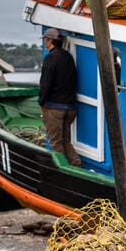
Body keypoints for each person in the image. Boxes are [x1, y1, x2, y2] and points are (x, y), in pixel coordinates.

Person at [38, 27, 82, 167]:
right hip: (70, 108)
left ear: (50, 41)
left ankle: (63, 171)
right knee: (66, 141)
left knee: (56, 143)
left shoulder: (50, 58)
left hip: (54, 108)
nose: (45, 42)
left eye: (46, 39)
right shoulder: (68, 57)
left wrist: (41, 102)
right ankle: (77, 166)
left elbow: (46, 84)